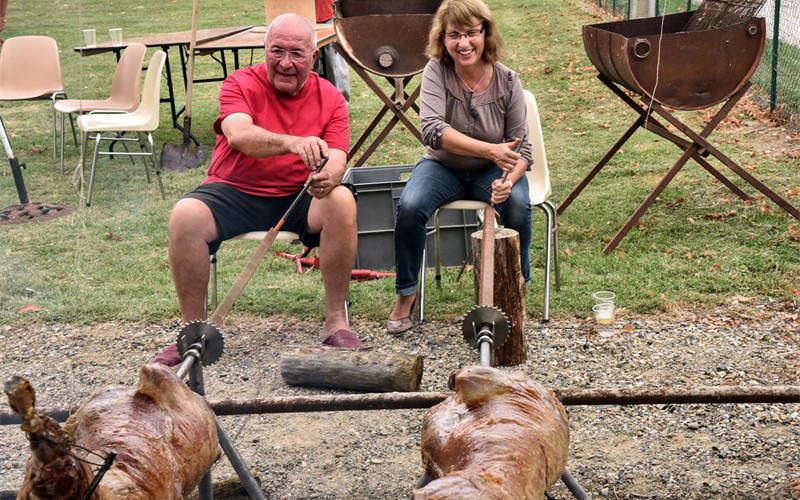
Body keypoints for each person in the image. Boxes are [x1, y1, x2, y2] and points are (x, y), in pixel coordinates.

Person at [154, 13, 360, 366]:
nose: (285, 63)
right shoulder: (239, 83)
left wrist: (331, 175)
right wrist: (293, 144)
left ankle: (335, 321)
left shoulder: (330, 97)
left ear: (313, 56)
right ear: (264, 50)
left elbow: (338, 157)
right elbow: (238, 134)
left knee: (341, 199)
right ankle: (191, 331)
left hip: (298, 195)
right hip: (234, 189)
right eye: (276, 51)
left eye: (296, 54)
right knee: (185, 215)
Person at [387, 0, 533, 334]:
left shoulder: (509, 81)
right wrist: (491, 150)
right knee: (410, 206)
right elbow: (433, 131)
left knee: (518, 204)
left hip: (491, 171)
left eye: (471, 33)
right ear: (443, 38)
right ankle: (406, 295)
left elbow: (522, 148)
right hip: (442, 167)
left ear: (486, 34)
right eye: (454, 35)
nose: (463, 43)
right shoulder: (436, 71)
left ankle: (517, 289)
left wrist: (507, 180)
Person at [314, 0, 350, 103]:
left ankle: (340, 102)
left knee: (332, 60)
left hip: (326, 12)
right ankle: (315, 99)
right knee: (311, 60)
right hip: (304, 12)